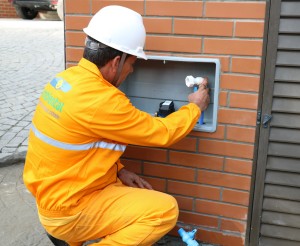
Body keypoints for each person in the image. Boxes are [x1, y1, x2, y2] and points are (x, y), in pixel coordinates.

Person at [23, 5, 210, 246]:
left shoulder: (64, 81)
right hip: (68, 212)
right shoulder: (103, 100)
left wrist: (119, 170)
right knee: (163, 211)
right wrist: (194, 107)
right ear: (116, 62)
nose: (131, 70)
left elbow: (79, 146)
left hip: (52, 199)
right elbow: (161, 132)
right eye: (132, 63)